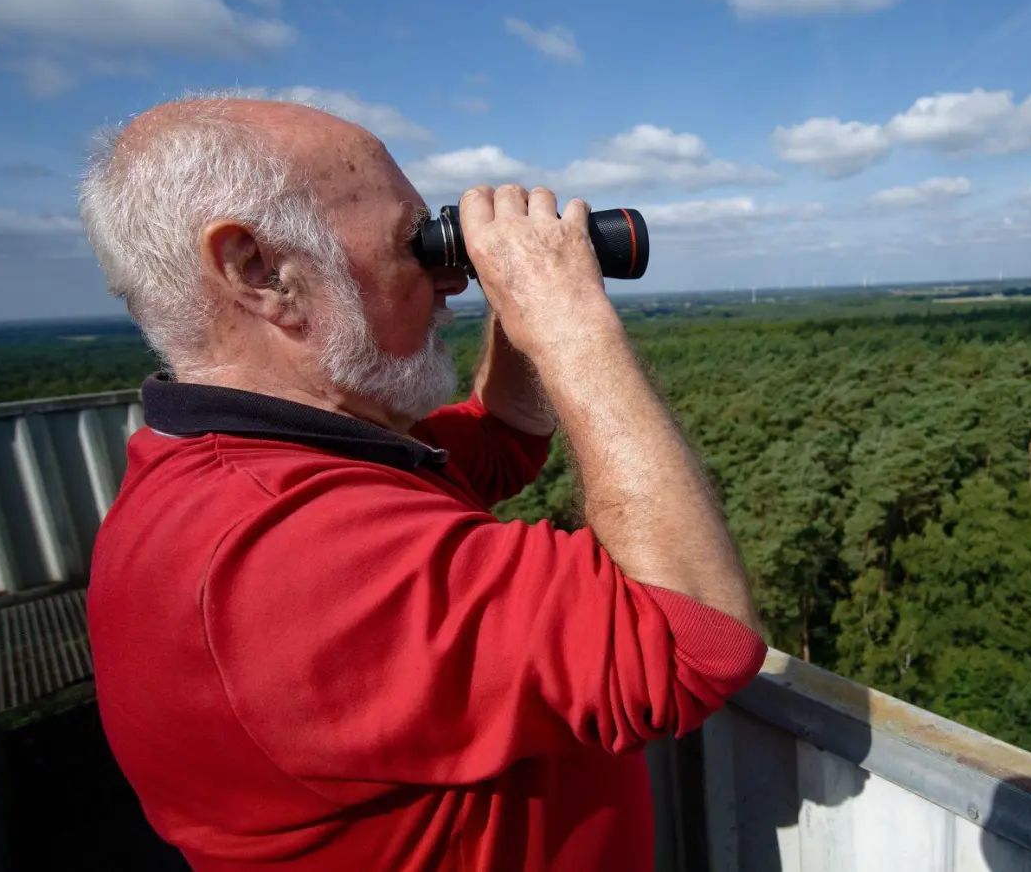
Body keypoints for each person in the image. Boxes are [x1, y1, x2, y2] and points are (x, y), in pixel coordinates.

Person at [80, 95, 767, 872]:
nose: (450, 281)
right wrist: (567, 316)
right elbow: (695, 635)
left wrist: (517, 290)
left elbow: (504, 439)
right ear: (259, 271)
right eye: (415, 242)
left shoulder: (276, 464)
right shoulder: (276, 552)